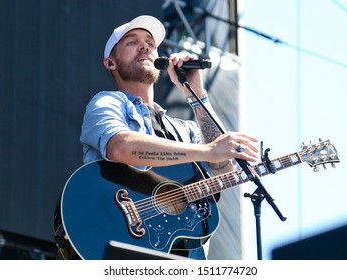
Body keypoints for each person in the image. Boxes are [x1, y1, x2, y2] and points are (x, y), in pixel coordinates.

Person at [78, 15, 258, 260]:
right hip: (125, 245)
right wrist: (207, 151)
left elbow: (223, 170)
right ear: (110, 62)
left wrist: (196, 95)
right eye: (132, 42)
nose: (145, 46)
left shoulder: (184, 130)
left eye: (150, 43)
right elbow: (119, 147)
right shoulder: (108, 102)